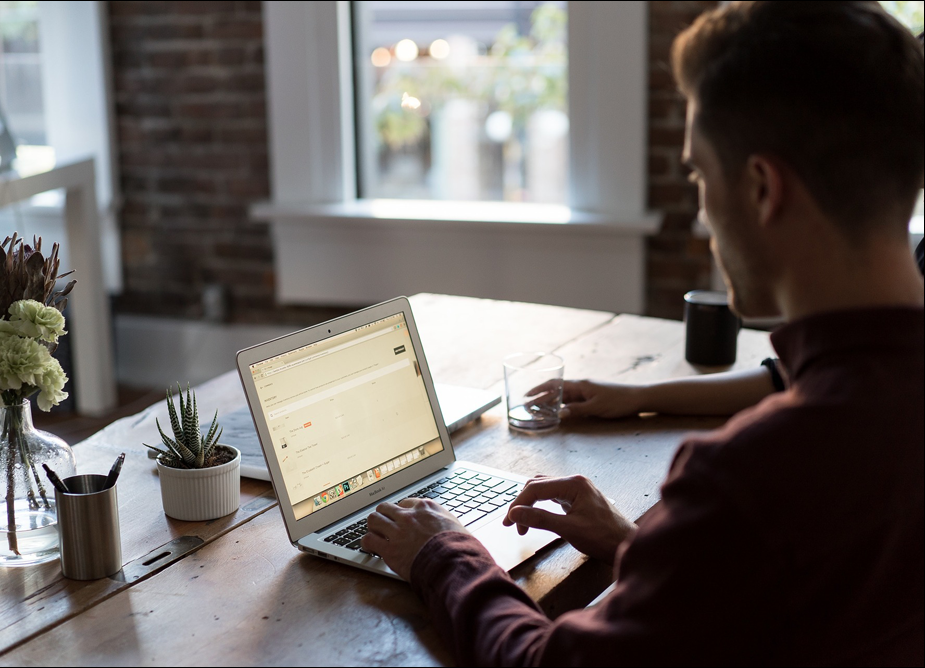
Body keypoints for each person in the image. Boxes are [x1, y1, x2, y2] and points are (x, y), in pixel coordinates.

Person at [361, 2, 924, 664]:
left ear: (763, 189)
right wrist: (650, 552)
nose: (702, 214)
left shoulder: (753, 477)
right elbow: (811, 601)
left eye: (698, 174)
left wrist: (443, 553)